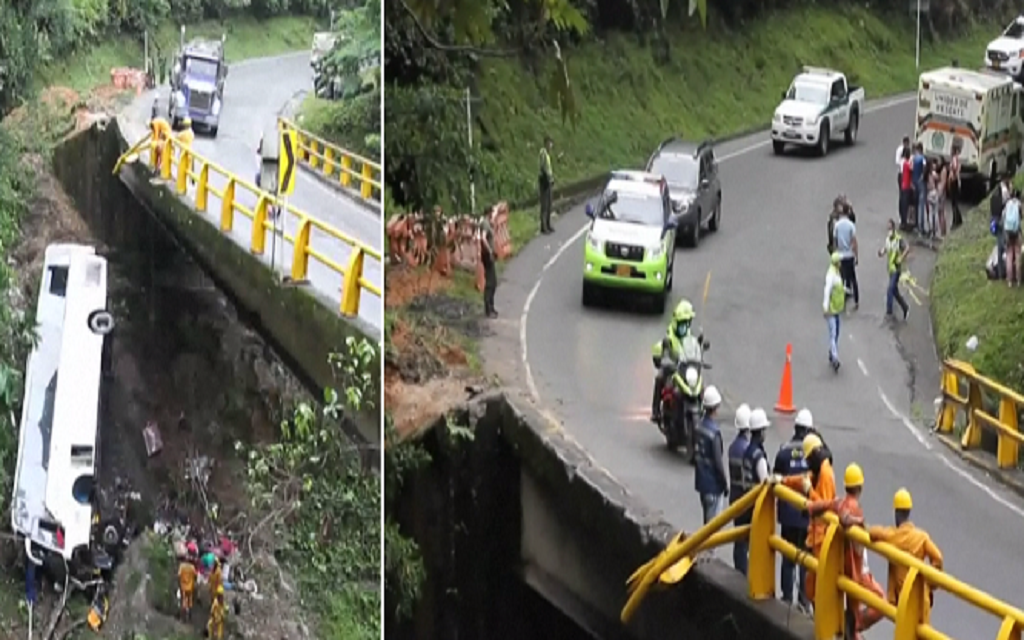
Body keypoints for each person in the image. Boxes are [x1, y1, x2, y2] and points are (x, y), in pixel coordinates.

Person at [807, 464, 886, 638]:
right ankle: (855, 624)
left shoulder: (839, 502)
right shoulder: (852, 507)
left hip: (847, 567)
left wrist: (811, 507)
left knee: (853, 607)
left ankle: (852, 627)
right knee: (881, 603)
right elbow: (844, 518)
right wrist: (860, 522)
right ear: (860, 487)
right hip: (858, 571)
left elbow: (822, 505)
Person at [866, 488, 944, 618]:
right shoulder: (922, 537)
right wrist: (930, 583)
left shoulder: (891, 536)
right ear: (909, 512)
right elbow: (938, 558)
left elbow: (872, 533)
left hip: (904, 600)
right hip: (922, 597)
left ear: (896, 512)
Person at [778, 433, 836, 606]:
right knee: (811, 581)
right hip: (816, 536)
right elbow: (803, 479)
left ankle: (817, 616)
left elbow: (824, 504)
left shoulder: (825, 473)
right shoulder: (819, 469)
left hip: (822, 537)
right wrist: (784, 480)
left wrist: (809, 491)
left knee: (817, 584)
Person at [772, 409, 814, 612]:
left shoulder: (783, 451)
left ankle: (787, 598)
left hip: (787, 516)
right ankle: (804, 601)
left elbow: (775, 479)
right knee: (805, 561)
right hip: (807, 518)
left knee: (788, 559)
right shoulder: (815, 454)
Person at [650, 299, 697, 423]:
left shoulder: (688, 334)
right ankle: (655, 411)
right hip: (671, 369)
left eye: (688, 322)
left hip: (685, 369)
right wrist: (660, 355)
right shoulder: (670, 336)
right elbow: (660, 347)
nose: (685, 325)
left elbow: (693, 348)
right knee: (660, 377)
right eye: (683, 322)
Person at [694, 386, 729, 524]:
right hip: (714, 487)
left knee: (706, 525)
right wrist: (724, 485)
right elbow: (718, 463)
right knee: (712, 531)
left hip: (702, 484)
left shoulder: (698, 427)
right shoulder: (714, 433)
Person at [727, 404, 752, 574]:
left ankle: (739, 568)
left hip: (735, 496)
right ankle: (744, 570)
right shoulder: (747, 450)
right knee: (746, 538)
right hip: (746, 498)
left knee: (738, 538)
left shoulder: (732, 448)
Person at [878, 219, 910, 321]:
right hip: (890, 269)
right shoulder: (888, 239)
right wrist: (881, 252)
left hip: (896, 268)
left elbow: (907, 248)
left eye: (890, 228)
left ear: (893, 228)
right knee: (895, 291)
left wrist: (901, 258)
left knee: (890, 289)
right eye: (888, 228)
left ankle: (889, 312)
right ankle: (905, 307)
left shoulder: (898, 239)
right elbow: (887, 248)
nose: (889, 230)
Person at [833, 198, 859, 309]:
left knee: (842, 278)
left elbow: (835, 240)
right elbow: (854, 242)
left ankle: (842, 299)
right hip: (849, 255)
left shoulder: (837, 225)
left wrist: (835, 254)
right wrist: (856, 255)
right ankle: (856, 299)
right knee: (853, 278)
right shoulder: (851, 225)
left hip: (841, 255)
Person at [823, 251, 845, 372]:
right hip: (832, 309)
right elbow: (827, 291)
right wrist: (825, 308)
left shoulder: (836, 272)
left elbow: (839, 288)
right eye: (840, 261)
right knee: (833, 333)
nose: (841, 263)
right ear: (836, 263)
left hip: (837, 309)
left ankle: (832, 352)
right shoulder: (831, 275)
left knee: (836, 334)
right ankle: (835, 358)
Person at [480, 216, 498, 317]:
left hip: (488, 255)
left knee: (493, 282)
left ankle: (491, 307)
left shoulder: (487, 223)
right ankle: (488, 309)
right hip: (487, 256)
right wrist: (490, 250)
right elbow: (483, 238)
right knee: (491, 282)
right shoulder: (485, 224)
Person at [1003, 188, 1021, 287]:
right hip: (1016, 232)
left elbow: (1003, 217)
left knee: (1009, 255)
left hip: (1008, 232)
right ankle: (1018, 280)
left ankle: (1009, 280)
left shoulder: (1007, 204)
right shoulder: (1018, 204)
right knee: (1017, 254)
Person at [538, 136, 554, 234]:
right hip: (544, 182)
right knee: (544, 204)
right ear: (546, 143)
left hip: (549, 181)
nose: (551, 145)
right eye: (549, 143)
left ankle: (548, 224)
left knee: (549, 204)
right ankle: (543, 227)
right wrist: (548, 179)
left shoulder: (547, 155)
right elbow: (543, 168)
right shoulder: (543, 153)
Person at [911, 143, 928, 235]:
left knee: (916, 203)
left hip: (914, 181)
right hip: (921, 182)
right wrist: (923, 175)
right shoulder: (922, 158)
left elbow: (911, 168)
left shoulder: (914, 158)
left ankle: (916, 224)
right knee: (921, 204)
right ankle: (921, 226)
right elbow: (925, 166)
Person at [899, 147, 914, 230]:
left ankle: (904, 221)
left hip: (904, 185)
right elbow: (912, 168)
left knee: (904, 204)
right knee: (905, 205)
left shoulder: (904, 163)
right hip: (906, 187)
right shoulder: (906, 164)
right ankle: (904, 222)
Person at [178, 557, 197, 621]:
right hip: (190, 587)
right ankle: (190, 616)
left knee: (183, 601)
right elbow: (195, 575)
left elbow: (179, 575)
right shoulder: (192, 567)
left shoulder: (182, 566)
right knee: (190, 601)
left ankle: (183, 617)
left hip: (183, 586)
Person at [949, 145, 963, 229]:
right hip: (956, 181)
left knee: (953, 201)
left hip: (953, 181)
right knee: (954, 201)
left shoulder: (954, 159)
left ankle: (956, 220)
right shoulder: (957, 159)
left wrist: (952, 175)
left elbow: (954, 169)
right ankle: (958, 219)